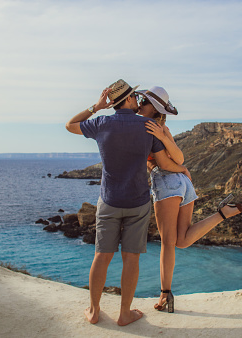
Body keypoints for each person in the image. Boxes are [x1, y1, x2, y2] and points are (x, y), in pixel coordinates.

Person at [65, 79, 190, 326]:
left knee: (101, 256)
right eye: (136, 97)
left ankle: (94, 311)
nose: (139, 101)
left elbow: (70, 125)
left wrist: (96, 107)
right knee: (131, 259)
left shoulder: (101, 122)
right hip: (138, 202)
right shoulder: (147, 125)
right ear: (131, 99)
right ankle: (124, 314)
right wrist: (183, 169)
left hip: (109, 200)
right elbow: (165, 164)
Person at [136, 86, 242, 313]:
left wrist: (165, 148)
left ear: (153, 106)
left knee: (168, 243)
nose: (139, 104)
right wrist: (179, 167)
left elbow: (176, 158)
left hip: (168, 182)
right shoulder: (161, 127)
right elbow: (172, 160)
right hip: (183, 183)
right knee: (183, 240)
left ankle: (165, 294)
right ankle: (224, 212)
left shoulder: (148, 127)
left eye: (143, 101)